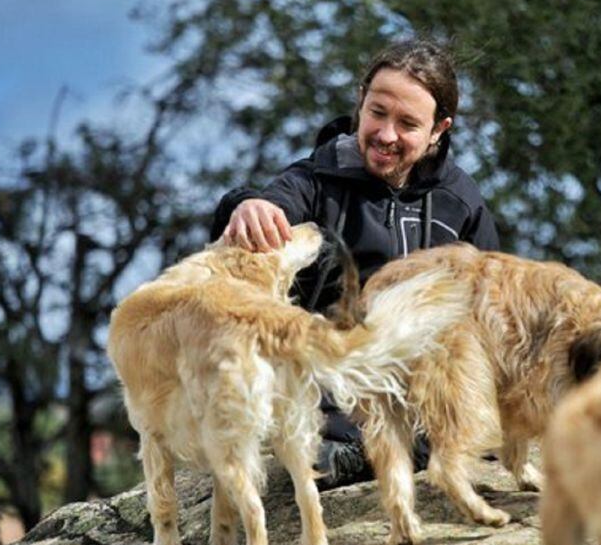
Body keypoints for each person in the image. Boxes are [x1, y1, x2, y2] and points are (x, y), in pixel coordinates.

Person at [209, 39, 500, 488]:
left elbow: (494, 308)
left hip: (427, 385)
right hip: (332, 384)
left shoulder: (460, 203)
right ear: (361, 100)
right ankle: (356, 453)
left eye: (407, 124)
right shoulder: (314, 180)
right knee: (315, 449)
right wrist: (246, 205)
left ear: (439, 130)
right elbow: (266, 205)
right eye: (378, 113)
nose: (386, 135)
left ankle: (393, 450)